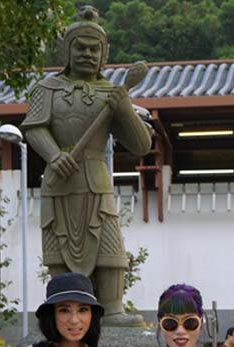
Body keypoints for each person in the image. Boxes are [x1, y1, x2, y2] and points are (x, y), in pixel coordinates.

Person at [21, 6, 152, 325]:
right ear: (67, 50)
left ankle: (111, 307)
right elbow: (34, 127)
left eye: (95, 49)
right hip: (59, 181)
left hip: (96, 179)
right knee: (59, 248)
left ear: (104, 54)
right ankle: (62, 310)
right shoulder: (46, 89)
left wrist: (123, 107)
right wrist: (54, 155)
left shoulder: (111, 93)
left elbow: (141, 145)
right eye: (80, 47)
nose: (87, 54)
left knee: (109, 248)